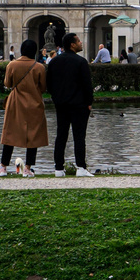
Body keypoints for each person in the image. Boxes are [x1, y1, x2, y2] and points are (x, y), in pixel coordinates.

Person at [46, 32, 94, 176]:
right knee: (79, 137)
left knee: (61, 135)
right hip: (79, 105)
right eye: (78, 41)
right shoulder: (81, 62)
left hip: (61, 104)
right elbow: (87, 85)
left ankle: (59, 168)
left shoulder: (54, 62)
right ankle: (80, 167)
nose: (81, 43)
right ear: (72, 45)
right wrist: (89, 103)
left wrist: (56, 98)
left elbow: (49, 84)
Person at [0, 38, 49, 176]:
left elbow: (8, 84)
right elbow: (43, 87)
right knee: (33, 136)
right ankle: (27, 168)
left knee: (10, 133)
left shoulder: (12, 65)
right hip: (34, 103)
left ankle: (3, 166)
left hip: (15, 102)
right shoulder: (39, 67)